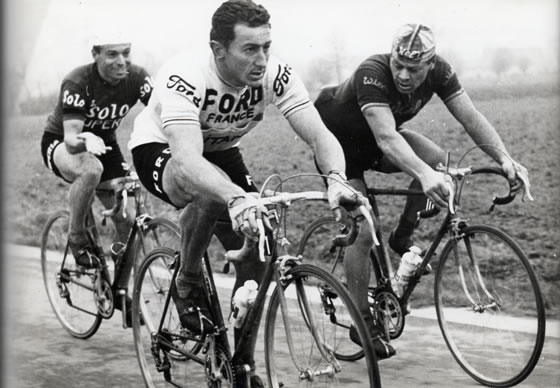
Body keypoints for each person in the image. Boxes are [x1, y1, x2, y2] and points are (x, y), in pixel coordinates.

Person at [128, 0, 372, 384]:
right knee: (209, 194)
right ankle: (187, 280)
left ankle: (241, 363)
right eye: (249, 49)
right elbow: (189, 159)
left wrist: (338, 180)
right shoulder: (185, 74)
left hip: (221, 150)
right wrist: (236, 197)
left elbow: (320, 134)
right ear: (218, 50)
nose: (261, 60)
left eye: (266, 47)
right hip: (163, 149)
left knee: (262, 243)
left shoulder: (274, 74)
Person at [314, 23, 532, 357]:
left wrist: (505, 159)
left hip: (377, 140)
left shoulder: (441, 73)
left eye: (413, 69)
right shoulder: (371, 72)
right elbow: (387, 139)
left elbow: (470, 117)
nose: (402, 75)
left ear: (430, 64)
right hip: (338, 145)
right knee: (360, 227)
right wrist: (423, 174)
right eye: (397, 65)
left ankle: (401, 238)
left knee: (440, 162)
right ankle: (361, 321)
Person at [40, 35, 154, 270]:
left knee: (127, 218)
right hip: (62, 141)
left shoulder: (138, 77)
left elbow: (163, 111)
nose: (122, 61)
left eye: (126, 52)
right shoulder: (78, 81)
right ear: (95, 55)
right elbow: (71, 140)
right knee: (91, 170)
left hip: (105, 144)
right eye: (112, 54)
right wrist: (86, 139)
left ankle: (119, 286)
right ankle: (77, 236)